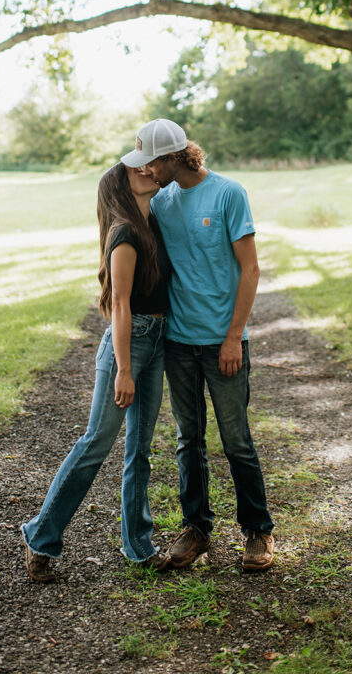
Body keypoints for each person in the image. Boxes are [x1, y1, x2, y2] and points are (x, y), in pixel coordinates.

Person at [121, 118, 275, 572]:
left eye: (151, 163)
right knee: (189, 440)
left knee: (237, 442)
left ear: (171, 158)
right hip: (178, 343)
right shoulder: (161, 201)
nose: (145, 171)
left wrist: (233, 337)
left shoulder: (229, 194)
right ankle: (197, 529)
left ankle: (258, 531)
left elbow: (250, 269)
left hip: (223, 342)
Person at [21, 161, 171, 581]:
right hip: (130, 344)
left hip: (157, 339)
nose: (147, 171)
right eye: (136, 170)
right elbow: (120, 304)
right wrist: (125, 368)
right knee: (95, 445)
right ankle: (40, 536)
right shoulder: (124, 231)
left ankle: (139, 546)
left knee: (139, 448)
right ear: (122, 187)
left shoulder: (152, 222)